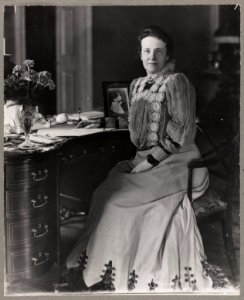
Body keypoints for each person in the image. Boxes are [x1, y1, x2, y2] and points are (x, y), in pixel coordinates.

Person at [64, 25, 225, 293]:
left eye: (158, 52)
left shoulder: (177, 82)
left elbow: (181, 132)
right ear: (140, 54)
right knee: (105, 192)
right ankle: (107, 270)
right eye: (147, 51)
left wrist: (148, 163)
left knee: (118, 202)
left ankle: (125, 275)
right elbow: (137, 127)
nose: (152, 57)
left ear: (167, 56)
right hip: (146, 159)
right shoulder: (137, 84)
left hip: (179, 161)